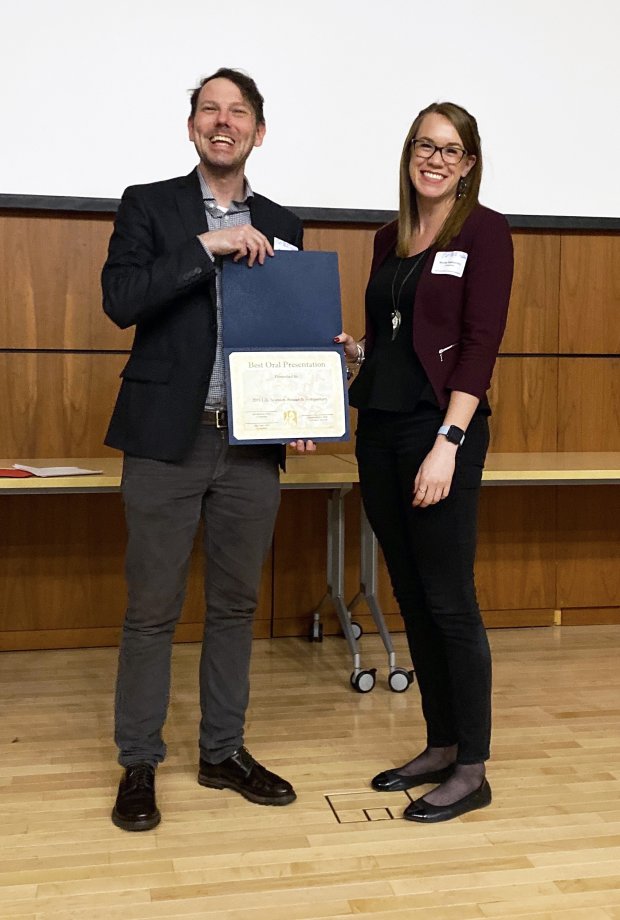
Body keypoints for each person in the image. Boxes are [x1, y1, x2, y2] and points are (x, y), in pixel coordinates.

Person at [102, 68, 313, 832]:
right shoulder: (149, 206)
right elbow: (121, 300)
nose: (223, 122)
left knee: (236, 606)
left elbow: (288, 332)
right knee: (151, 610)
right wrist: (207, 244)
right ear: (192, 125)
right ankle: (138, 763)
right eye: (209, 110)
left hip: (250, 447)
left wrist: (320, 374)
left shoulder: (286, 221)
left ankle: (222, 751)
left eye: (239, 113)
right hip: (167, 437)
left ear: (259, 130)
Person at [336, 102, 513, 823]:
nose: (434, 158)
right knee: (410, 595)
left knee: (449, 601)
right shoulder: (391, 238)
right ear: (409, 155)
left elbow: (479, 343)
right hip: (378, 430)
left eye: (449, 148)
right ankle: (440, 745)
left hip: (439, 435)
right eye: (423, 145)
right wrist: (358, 354)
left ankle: (472, 767)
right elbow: (396, 334)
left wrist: (450, 441)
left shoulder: (486, 231)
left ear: (468, 162)